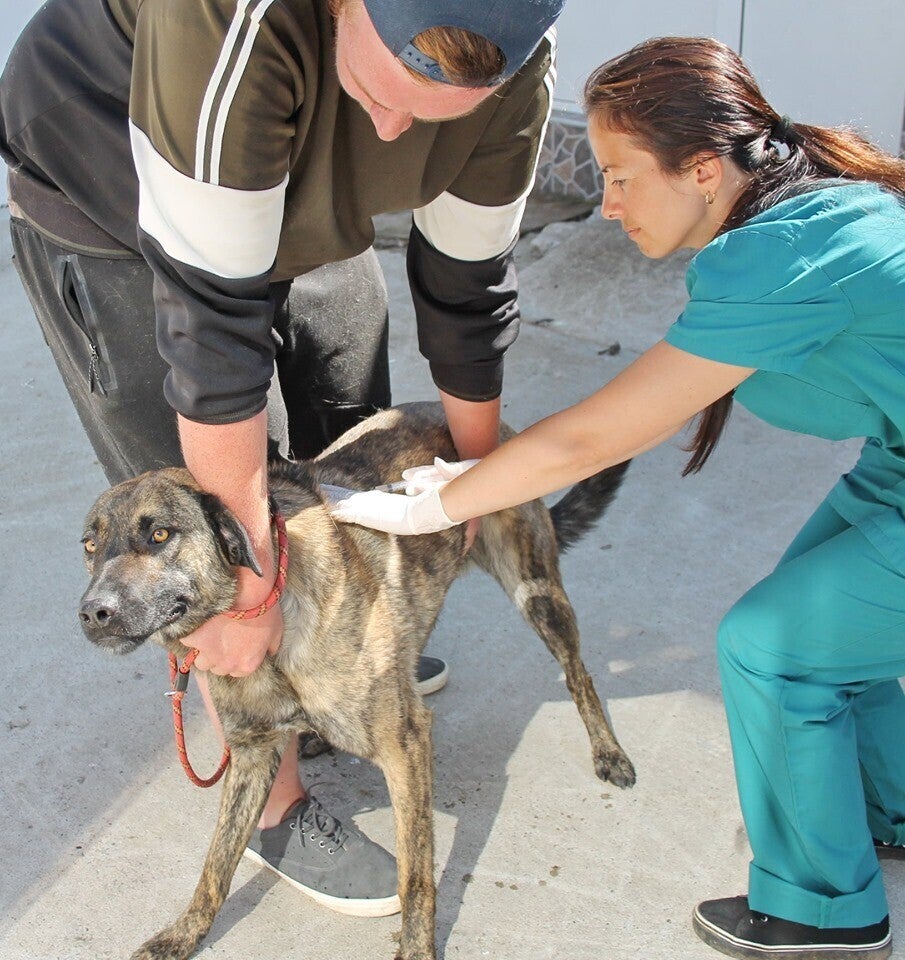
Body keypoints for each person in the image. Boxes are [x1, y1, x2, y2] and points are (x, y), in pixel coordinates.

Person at [330, 35, 905, 960]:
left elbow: (595, 438)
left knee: (773, 649)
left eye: (620, 176)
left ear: (703, 169)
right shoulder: (798, 213)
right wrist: (466, 483)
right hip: (897, 461)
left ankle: (822, 911)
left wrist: (441, 504)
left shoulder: (786, 256)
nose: (606, 203)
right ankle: (889, 810)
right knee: (832, 631)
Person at [0, 0, 565, 917]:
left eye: (434, 117)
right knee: (193, 523)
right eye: (388, 94)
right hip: (119, 193)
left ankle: (341, 667)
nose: (394, 132)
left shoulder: (517, 69)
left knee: (350, 417)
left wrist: (474, 482)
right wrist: (251, 593)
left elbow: (466, 291)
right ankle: (274, 802)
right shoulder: (232, 22)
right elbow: (211, 336)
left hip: (297, 184)